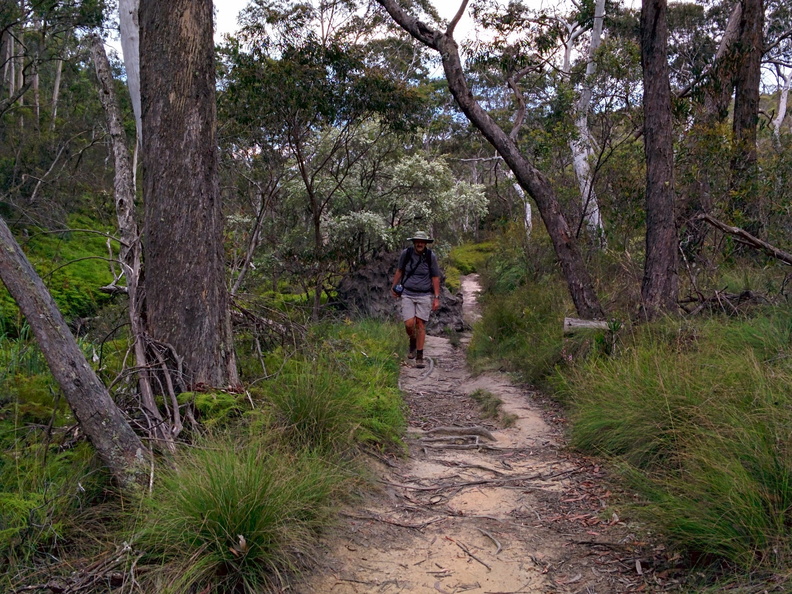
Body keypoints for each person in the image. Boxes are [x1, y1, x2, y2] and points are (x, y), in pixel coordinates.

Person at [391, 231, 442, 368]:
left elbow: (435, 277)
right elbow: (400, 271)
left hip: (424, 295)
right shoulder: (406, 254)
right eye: (417, 241)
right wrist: (394, 287)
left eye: (422, 241)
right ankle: (412, 341)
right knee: (409, 324)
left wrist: (436, 297)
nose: (420, 244)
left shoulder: (431, 256)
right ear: (414, 242)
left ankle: (419, 355)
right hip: (407, 293)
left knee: (420, 324)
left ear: (425, 243)